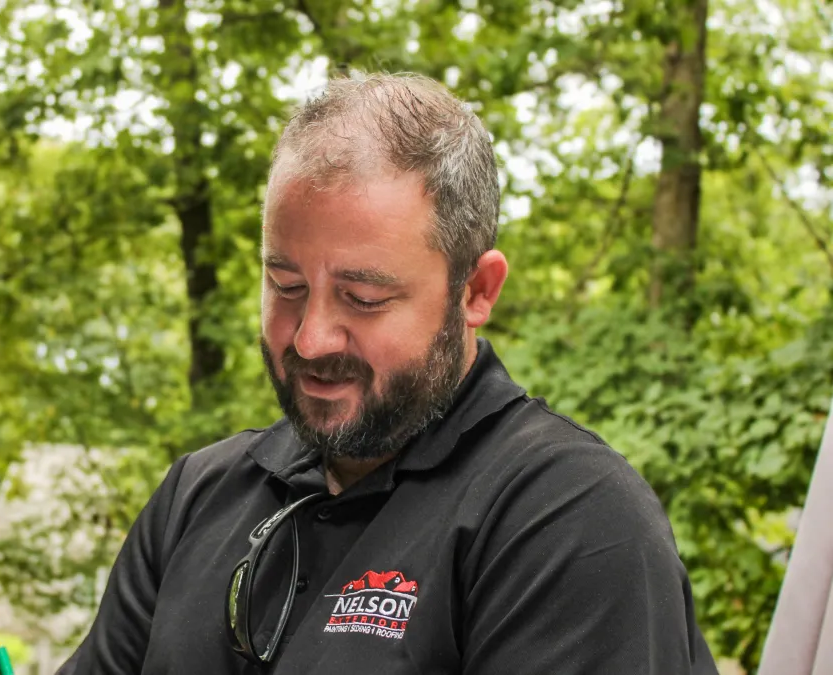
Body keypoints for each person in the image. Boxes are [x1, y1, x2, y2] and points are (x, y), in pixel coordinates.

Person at [56, 72, 719, 674]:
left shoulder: (569, 520)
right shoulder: (198, 497)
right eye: (285, 284)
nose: (311, 338)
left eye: (363, 298)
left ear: (476, 290)